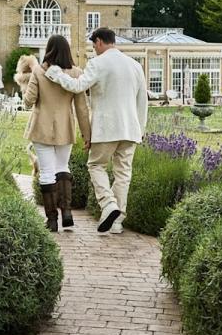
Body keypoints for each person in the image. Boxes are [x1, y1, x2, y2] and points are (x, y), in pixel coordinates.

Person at [44, 27, 148, 234]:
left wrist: (55, 73)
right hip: (131, 129)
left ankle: (109, 205)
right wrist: (141, 129)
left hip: (107, 128)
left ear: (100, 42)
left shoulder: (97, 64)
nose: (94, 50)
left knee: (96, 166)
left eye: (93, 46)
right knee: (123, 174)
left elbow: (77, 86)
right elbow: (142, 100)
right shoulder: (135, 65)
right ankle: (117, 222)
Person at [19, 35, 91, 232]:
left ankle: (52, 220)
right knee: (62, 167)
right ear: (67, 51)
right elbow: (82, 108)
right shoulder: (77, 73)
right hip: (65, 127)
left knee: (47, 173)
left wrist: (24, 86)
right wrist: (87, 135)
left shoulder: (39, 72)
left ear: (48, 50)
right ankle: (67, 212)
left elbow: (28, 101)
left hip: (41, 127)